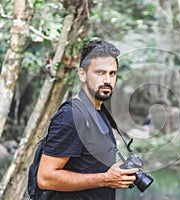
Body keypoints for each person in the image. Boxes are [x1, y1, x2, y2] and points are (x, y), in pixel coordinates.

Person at [37, 40, 138, 200]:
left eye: (112, 73)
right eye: (100, 73)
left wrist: (115, 175)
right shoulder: (71, 116)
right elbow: (45, 178)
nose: (107, 80)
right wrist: (105, 178)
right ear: (82, 74)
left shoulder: (101, 113)